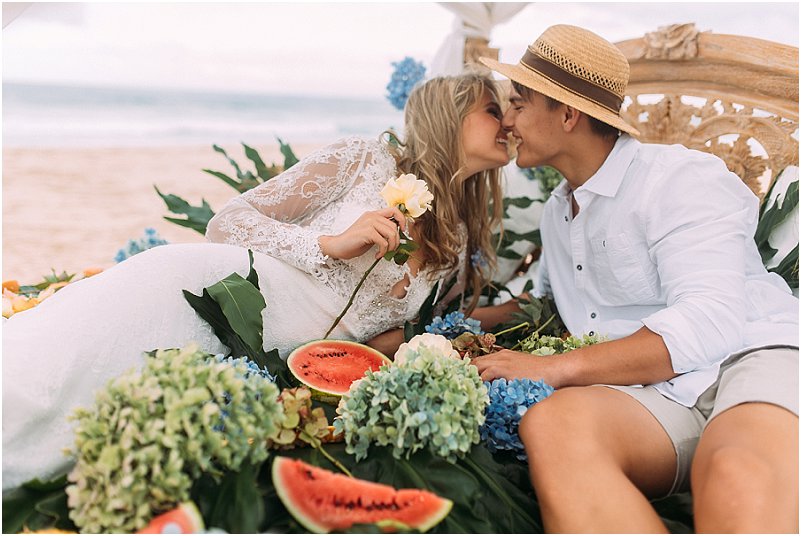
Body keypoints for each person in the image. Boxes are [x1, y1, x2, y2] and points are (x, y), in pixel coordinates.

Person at [2, 72, 511, 490]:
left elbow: (378, 327)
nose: (507, 122)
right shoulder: (363, 159)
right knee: (44, 384)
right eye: (493, 110)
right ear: (451, 115)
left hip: (263, 362)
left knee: (104, 435)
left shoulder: (455, 232)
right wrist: (329, 243)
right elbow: (227, 220)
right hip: (203, 296)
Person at [474, 25, 799, 533]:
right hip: (651, 389)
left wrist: (557, 369)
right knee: (552, 424)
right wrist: (436, 325)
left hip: (746, 357)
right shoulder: (557, 213)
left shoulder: (679, 178)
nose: (508, 121)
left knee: (736, 474)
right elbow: (543, 303)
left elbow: (711, 322)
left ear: (567, 112)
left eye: (518, 103)